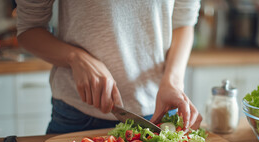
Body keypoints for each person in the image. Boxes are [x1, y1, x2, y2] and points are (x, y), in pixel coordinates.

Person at [16, 0, 202, 134]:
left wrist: (173, 82)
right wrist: (75, 57)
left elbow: (184, 23)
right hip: (79, 116)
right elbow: (29, 29)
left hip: (157, 113)